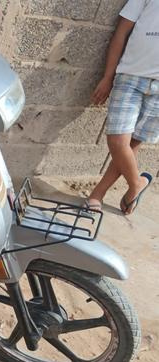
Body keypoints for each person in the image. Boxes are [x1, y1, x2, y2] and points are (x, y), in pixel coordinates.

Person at [87, 0, 156, 215]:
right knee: (118, 141)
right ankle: (137, 184)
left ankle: (97, 194)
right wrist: (108, 76)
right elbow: (121, 31)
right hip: (130, 77)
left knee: (133, 142)